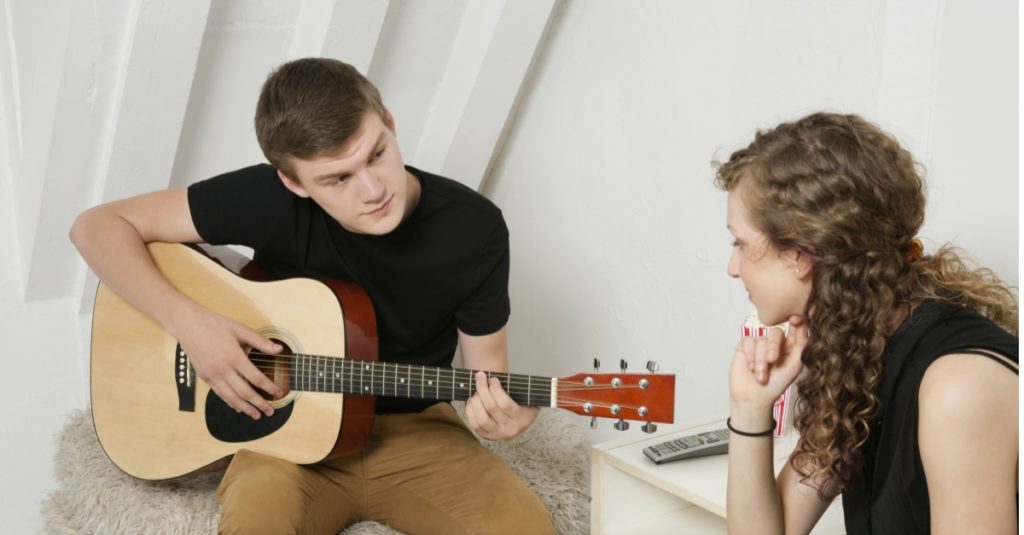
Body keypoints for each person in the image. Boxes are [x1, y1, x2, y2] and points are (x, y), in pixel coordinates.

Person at [70, 57, 554, 534]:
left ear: (388, 122)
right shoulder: (267, 198)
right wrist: (190, 325)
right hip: (284, 441)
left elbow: (488, 374)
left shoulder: (474, 229)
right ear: (293, 182)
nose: (372, 190)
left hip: (417, 431)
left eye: (376, 154)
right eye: (337, 179)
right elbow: (96, 228)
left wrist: (499, 418)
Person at [716, 112, 1018, 534]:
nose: (733, 267)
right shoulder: (857, 349)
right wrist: (749, 408)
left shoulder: (960, 387)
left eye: (740, 243)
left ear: (800, 254)